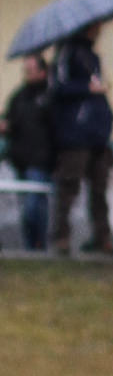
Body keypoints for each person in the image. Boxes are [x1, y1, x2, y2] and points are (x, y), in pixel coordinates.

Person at [50, 22, 113, 256]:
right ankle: (61, 237)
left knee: (100, 189)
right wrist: (87, 88)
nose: (99, 30)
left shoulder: (93, 58)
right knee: (69, 186)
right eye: (95, 26)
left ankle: (102, 238)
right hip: (75, 136)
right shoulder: (65, 55)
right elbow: (58, 88)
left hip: (97, 135)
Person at [2, 53, 54, 251]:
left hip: (40, 161)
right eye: (26, 70)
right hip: (20, 161)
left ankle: (39, 247)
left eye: (31, 70)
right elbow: (11, 120)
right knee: (26, 208)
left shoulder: (50, 97)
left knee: (34, 208)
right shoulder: (19, 96)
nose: (27, 74)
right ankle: (31, 249)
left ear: (42, 72)